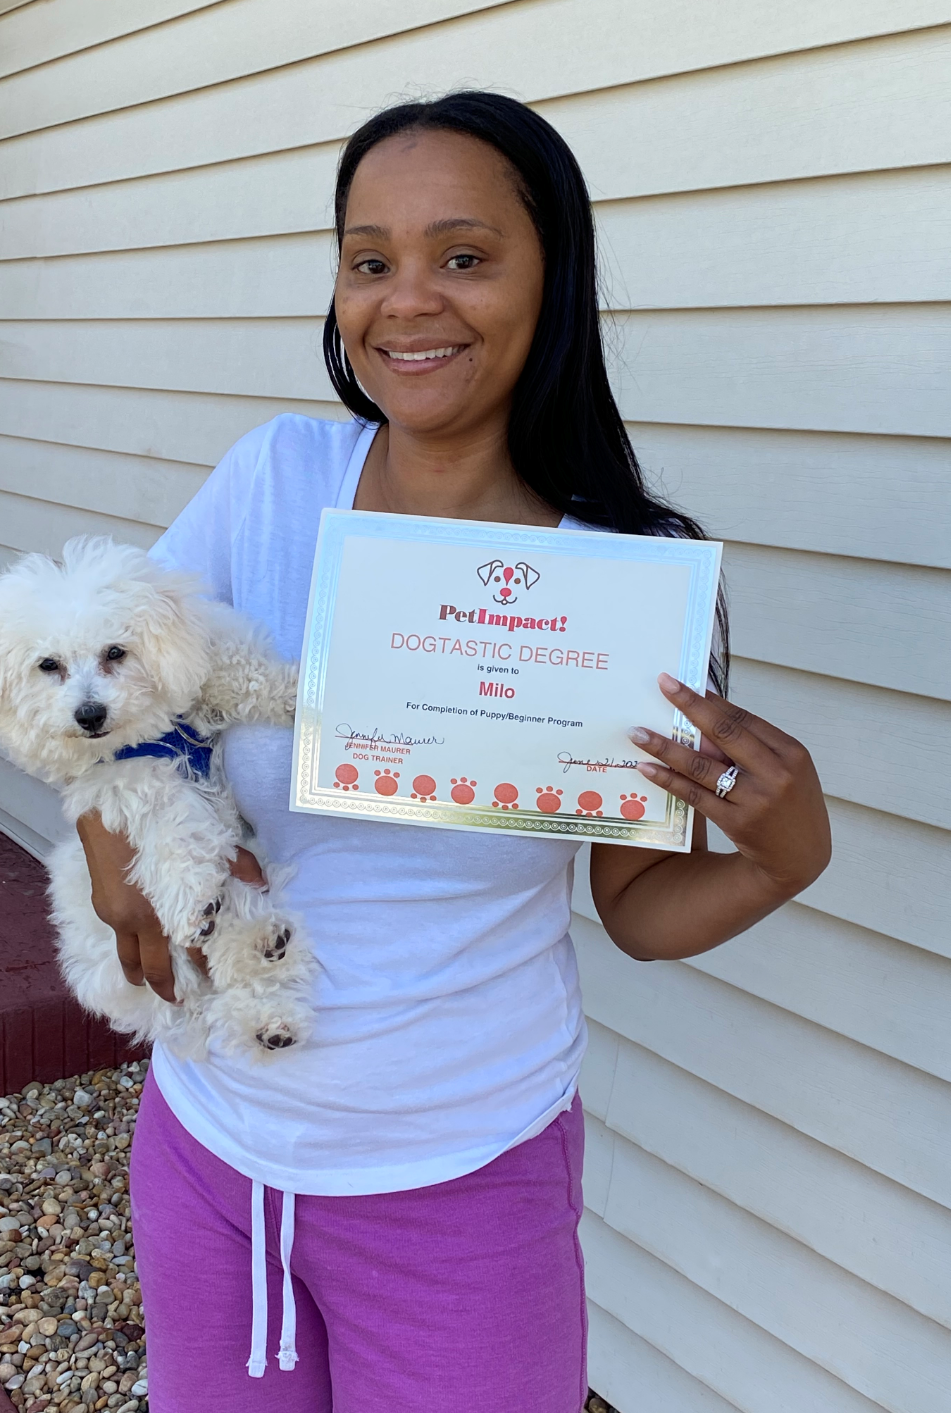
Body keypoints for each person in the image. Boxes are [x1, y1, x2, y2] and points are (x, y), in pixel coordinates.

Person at [76, 92, 831, 1413]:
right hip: (213, 1151)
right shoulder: (274, 481)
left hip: (461, 1181)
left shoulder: (625, 581)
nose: (405, 301)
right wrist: (109, 836)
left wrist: (786, 857)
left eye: (463, 256)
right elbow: (115, 700)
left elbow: (639, 914)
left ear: (556, 279)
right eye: (370, 260)